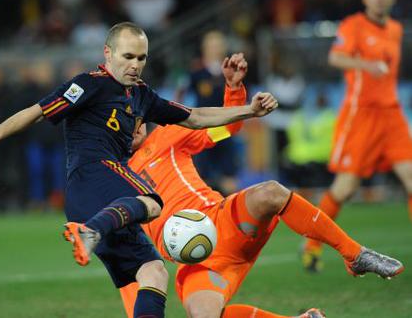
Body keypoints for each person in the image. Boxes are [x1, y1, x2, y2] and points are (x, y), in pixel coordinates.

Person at [0, 22, 278, 317]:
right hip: (93, 176)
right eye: (128, 56)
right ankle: (90, 231)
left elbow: (194, 116)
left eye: (142, 57)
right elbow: (37, 111)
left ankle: (94, 230)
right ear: (108, 54)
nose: (135, 64)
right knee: (153, 202)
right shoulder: (89, 84)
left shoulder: (141, 95)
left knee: (153, 271)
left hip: (105, 202)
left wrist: (248, 110)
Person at [119, 58, 403, 317]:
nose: (136, 122)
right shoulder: (111, 179)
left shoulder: (167, 137)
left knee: (270, 192)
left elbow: (227, 127)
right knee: (204, 316)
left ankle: (355, 255)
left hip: (224, 221)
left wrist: (234, 88)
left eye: (138, 114)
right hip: (195, 262)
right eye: (126, 118)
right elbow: (129, 265)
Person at [302, 0, 412, 273]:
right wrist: (365, 64)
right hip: (361, 115)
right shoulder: (353, 26)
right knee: (345, 188)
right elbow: (336, 58)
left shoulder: (396, 29)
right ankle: (312, 245)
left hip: (392, 114)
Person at [175, 30, 241, 194]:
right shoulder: (196, 72)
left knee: (229, 175)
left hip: (225, 128)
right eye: (211, 45)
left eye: (217, 45)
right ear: (204, 48)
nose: (214, 49)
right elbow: (180, 96)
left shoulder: (231, 72)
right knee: (200, 173)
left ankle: (230, 213)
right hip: (203, 130)